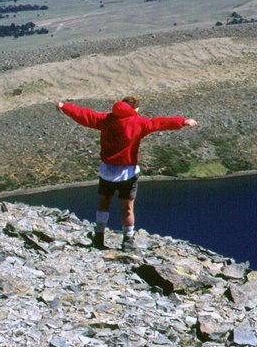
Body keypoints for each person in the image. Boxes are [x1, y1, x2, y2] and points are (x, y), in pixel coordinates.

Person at [56, 96, 198, 251]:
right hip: (128, 173)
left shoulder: (106, 119)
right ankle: (128, 241)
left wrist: (64, 106)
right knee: (127, 207)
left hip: (107, 171)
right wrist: (183, 121)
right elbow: (159, 123)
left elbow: (85, 115)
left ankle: (99, 236)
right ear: (134, 109)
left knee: (104, 203)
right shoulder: (138, 122)